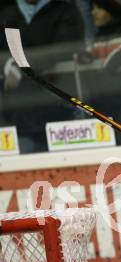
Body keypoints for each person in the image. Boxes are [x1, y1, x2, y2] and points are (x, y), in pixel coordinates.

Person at [0, 0, 85, 153]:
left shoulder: (65, 10)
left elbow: (65, 49)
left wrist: (20, 65)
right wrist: (8, 65)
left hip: (59, 115)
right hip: (14, 117)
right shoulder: (6, 13)